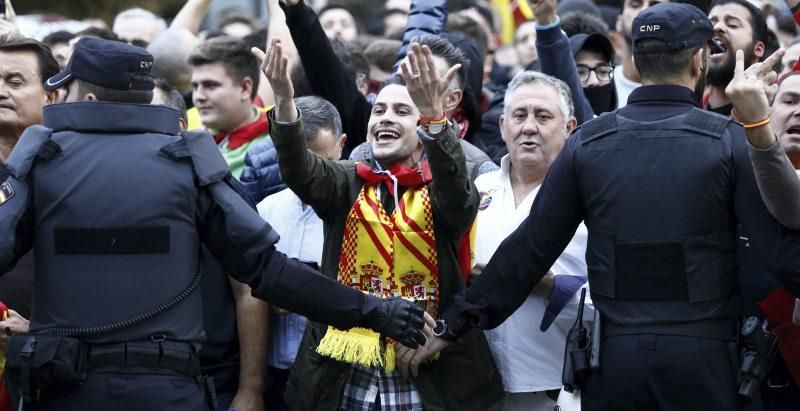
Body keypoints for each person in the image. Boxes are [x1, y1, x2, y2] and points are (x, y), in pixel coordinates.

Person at [0, 37, 426, 411]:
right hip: (169, 391)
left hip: (72, 393)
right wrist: (377, 311)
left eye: (63, 89)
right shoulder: (188, 159)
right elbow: (268, 272)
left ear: (85, 97)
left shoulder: (41, 158)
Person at [417, 3, 800, 410]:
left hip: (617, 364)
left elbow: (528, 250)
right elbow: (776, 250)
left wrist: (452, 324)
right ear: (700, 60)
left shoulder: (589, 142)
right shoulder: (728, 140)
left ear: (635, 59)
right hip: (701, 362)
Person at [253, 39, 503, 410]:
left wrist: (436, 118)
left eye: (402, 111)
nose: (385, 117)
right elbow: (298, 168)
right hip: (345, 376)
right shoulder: (344, 181)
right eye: (378, 110)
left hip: (429, 378)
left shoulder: (445, 184)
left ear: (421, 129)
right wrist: (286, 101)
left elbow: (458, 197)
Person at [472, 71, 591, 410]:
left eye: (543, 117)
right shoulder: (476, 193)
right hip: (474, 385)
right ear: (503, 125)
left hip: (555, 388)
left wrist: (553, 286)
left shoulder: (591, 200)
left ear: (569, 128)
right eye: (520, 116)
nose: (528, 127)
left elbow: (615, 299)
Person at [256, 95, 346, 411]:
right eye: (297, 160)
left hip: (335, 380)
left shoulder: (360, 213)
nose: (306, 173)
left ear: (342, 145)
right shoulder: (266, 210)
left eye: (317, 162)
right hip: (273, 378)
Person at [0, 34, 58, 349]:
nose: (0, 92)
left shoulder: (71, 175)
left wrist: (39, 331)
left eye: (15, 82)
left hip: (50, 365)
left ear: (52, 98)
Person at [189, 36, 275, 181]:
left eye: (210, 85)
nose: (199, 96)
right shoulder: (190, 139)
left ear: (244, 88)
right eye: (195, 86)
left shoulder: (275, 145)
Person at [705, 0, 769, 115]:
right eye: (710, 24)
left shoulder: (773, 114)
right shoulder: (686, 108)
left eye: (732, 25)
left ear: (758, 49)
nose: (717, 27)